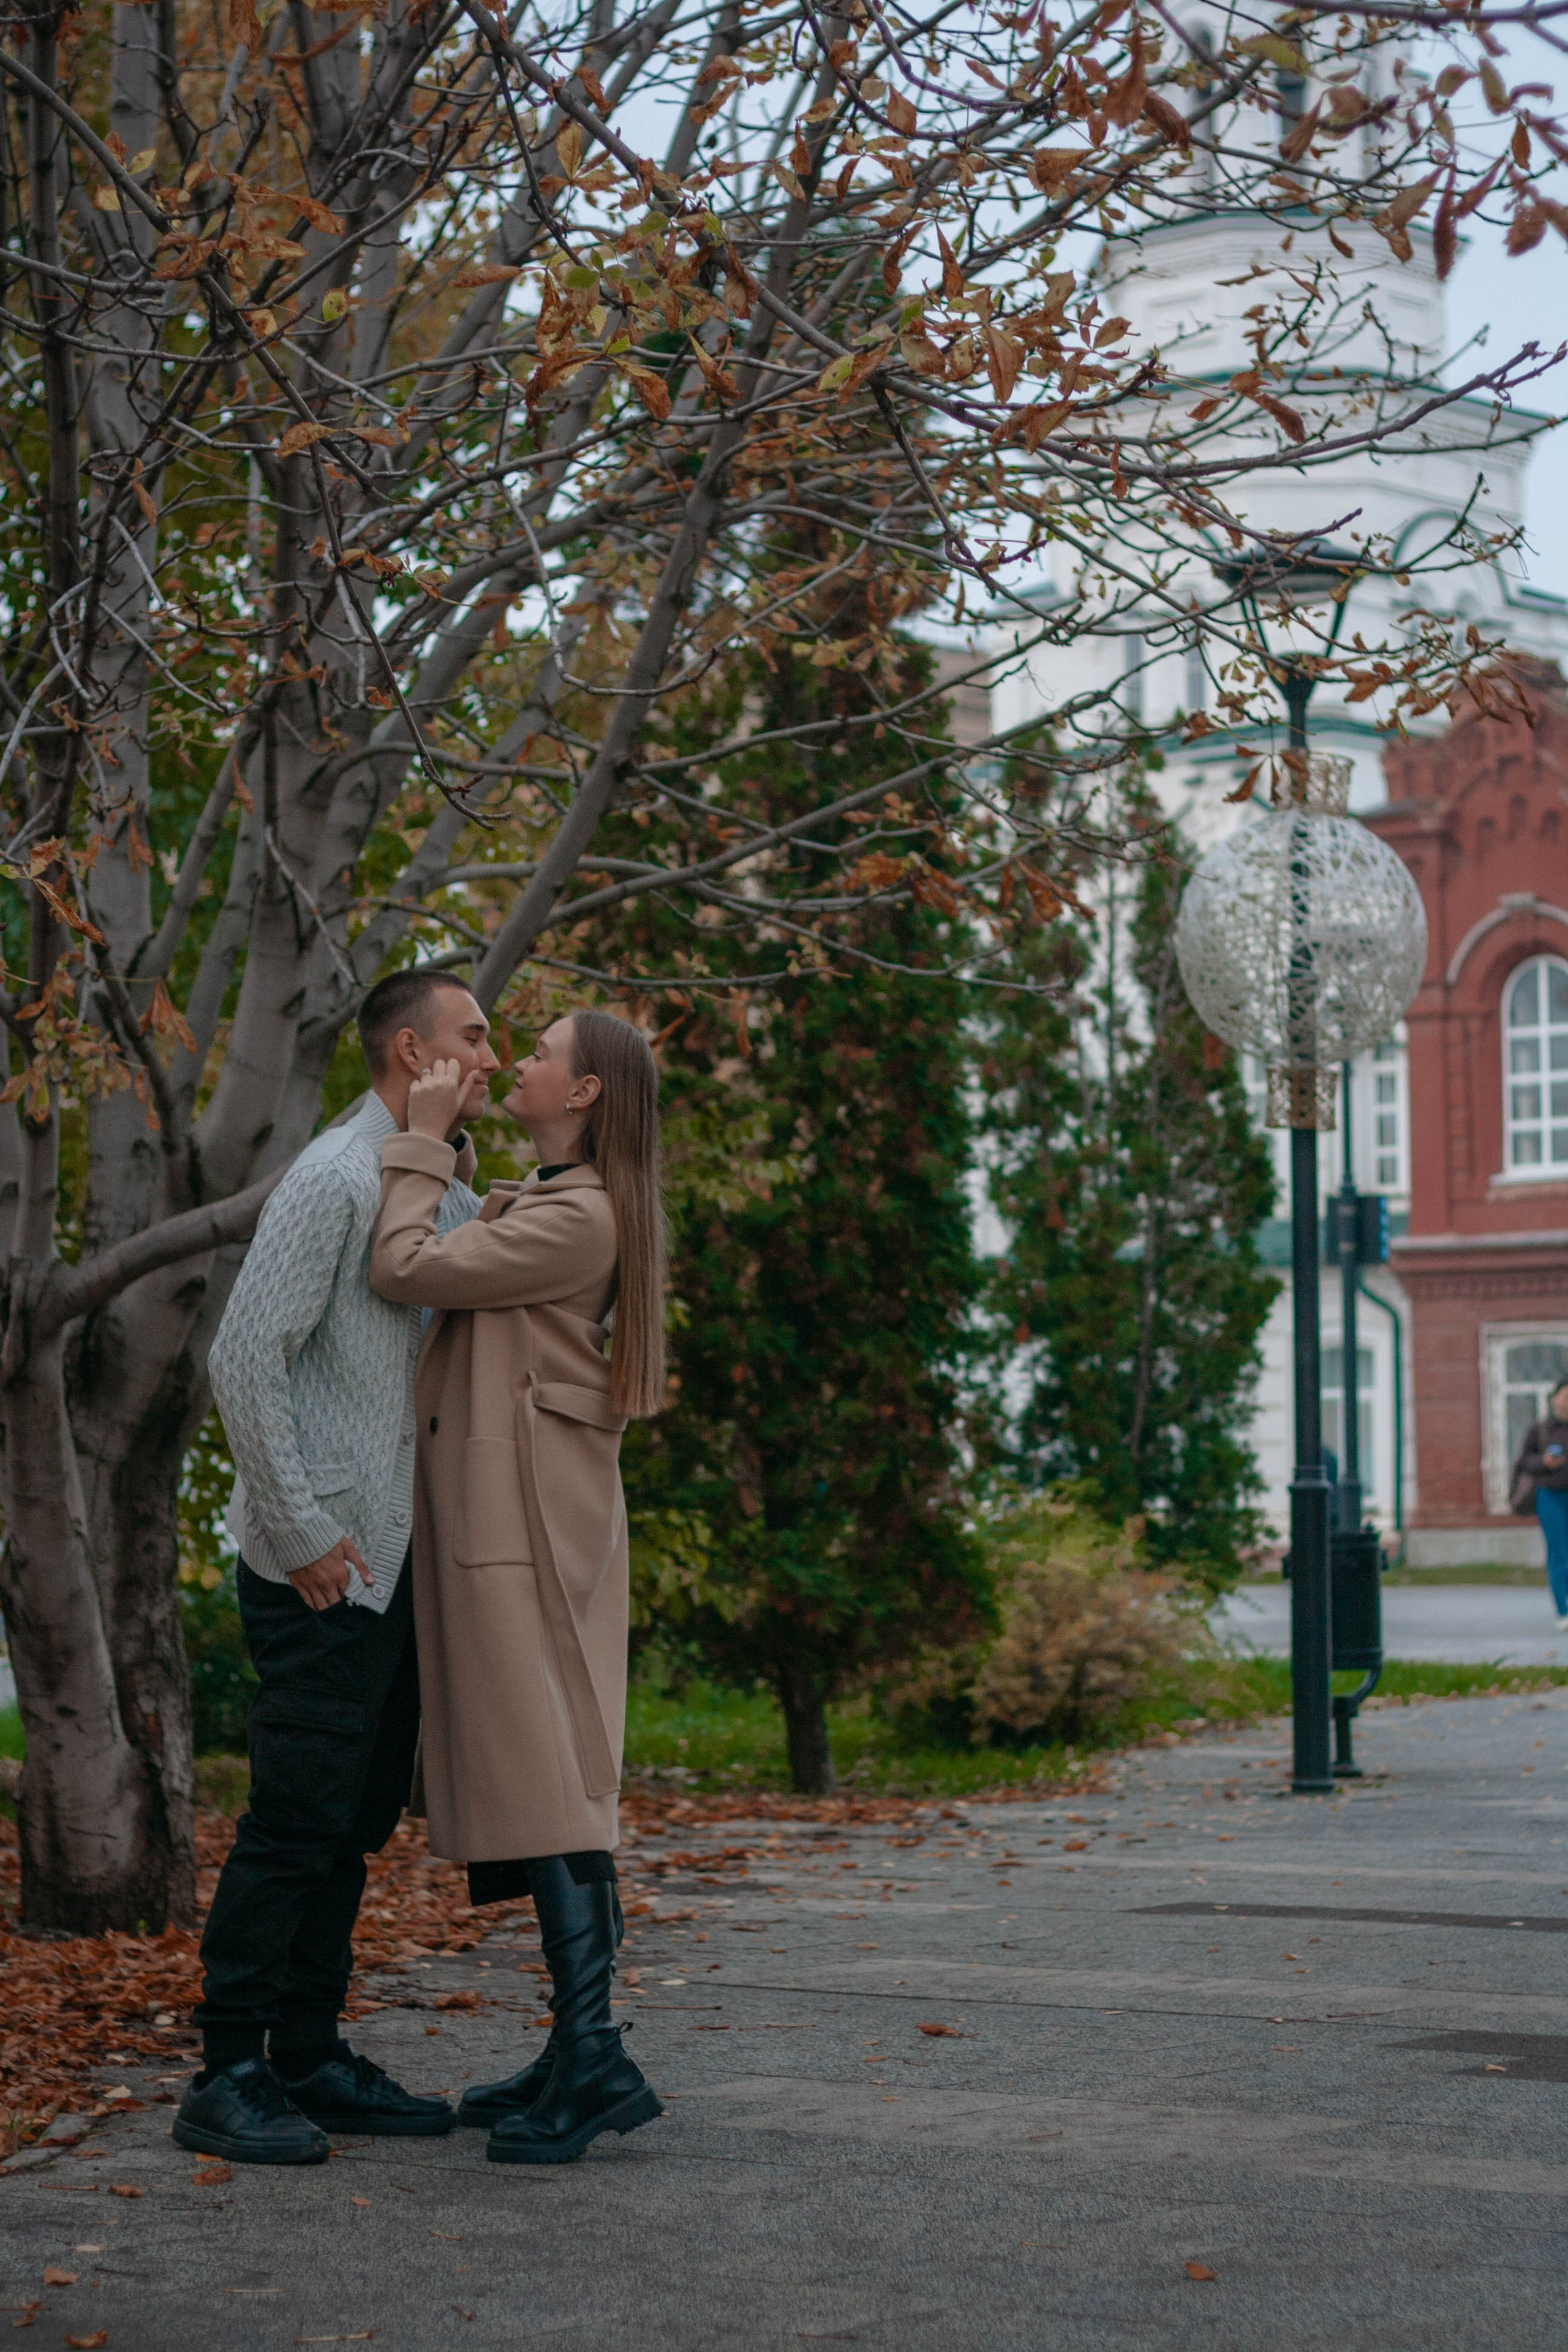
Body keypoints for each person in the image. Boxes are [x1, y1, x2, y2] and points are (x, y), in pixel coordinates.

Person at [175, 971, 500, 2166]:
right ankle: (225, 2072)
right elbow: (243, 1358)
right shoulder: (333, 1178)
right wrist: (302, 1529)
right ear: (411, 1049)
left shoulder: (435, 1184)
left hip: (395, 1570)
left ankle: (307, 2056)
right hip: (321, 1567)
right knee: (292, 1824)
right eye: (474, 1037)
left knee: (349, 1828)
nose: (491, 1056)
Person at [368, 1008, 666, 2165]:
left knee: (551, 1782)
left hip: (525, 1528)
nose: (516, 1064)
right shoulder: (558, 1200)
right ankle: (578, 2048)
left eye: (539, 1053)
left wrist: (420, 1142)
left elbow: (404, 1267)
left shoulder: (579, 1215)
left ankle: (591, 2058)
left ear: (585, 1092)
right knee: (545, 1778)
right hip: (522, 1515)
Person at [1513, 1379, 1568, 1629]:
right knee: (1559, 1551)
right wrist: (1544, 1463)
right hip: (1550, 1496)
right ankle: (1563, 1611)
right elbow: (1524, 1461)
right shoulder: (1541, 1429)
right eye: (1565, 1396)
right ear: (1554, 1399)